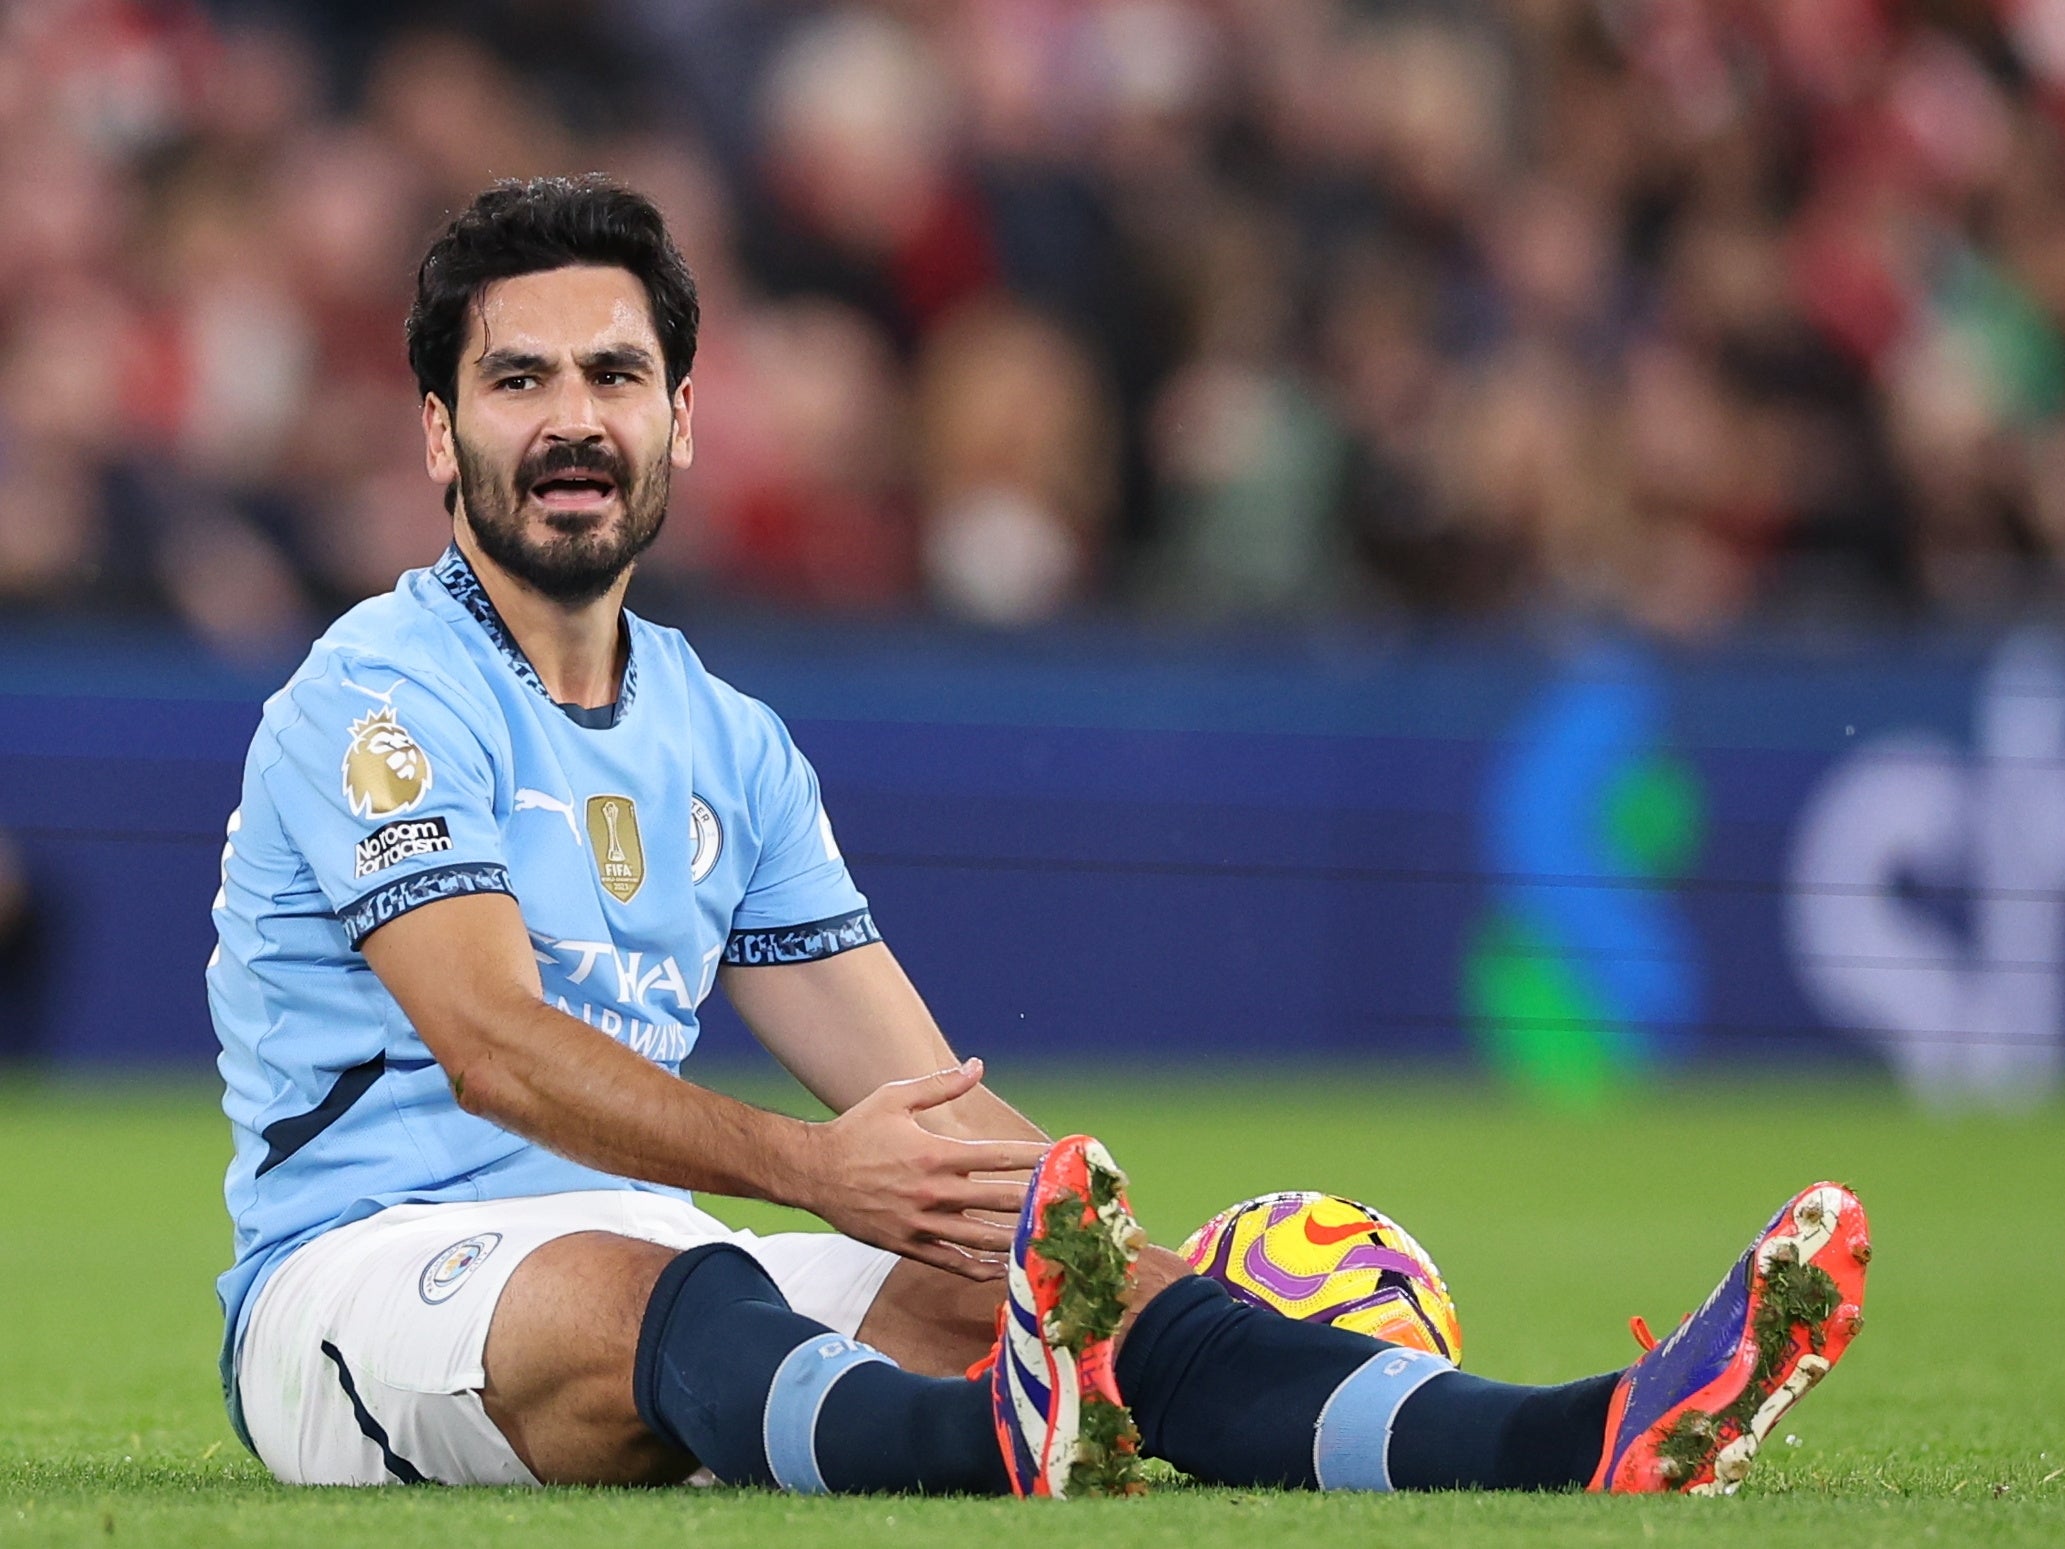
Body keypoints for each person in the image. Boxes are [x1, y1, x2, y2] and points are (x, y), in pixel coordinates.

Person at [209, 176, 1870, 1499]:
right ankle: (994, 1448)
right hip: (361, 1277)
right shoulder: (379, 694)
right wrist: (805, 1169)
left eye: (613, 376)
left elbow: (915, 1109)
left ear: (681, 420)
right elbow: (494, 1043)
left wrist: (1106, 1258)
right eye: (517, 381)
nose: (571, 420)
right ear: (439, 433)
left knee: (1037, 1296)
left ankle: (1579, 1435)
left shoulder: (728, 742)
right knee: (679, 1295)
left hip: (651, 1246)